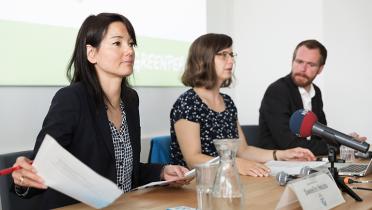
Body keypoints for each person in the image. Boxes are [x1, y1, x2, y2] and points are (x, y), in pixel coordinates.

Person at [11, 13, 189, 209]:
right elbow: (40, 170)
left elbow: (125, 170)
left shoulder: (130, 100)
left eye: (131, 44)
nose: (129, 50)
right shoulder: (71, 99)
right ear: (91, 53)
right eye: (117, 43)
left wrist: (163, 172)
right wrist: (23, 175)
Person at [169, 33, 316, 178]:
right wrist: (233, 163)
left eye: (232, 55)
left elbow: (243, 151)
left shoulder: (227, 102)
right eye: (223, 55)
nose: (231, 61)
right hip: (197, 187)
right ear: (203, 60)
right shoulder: (188, 103)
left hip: (227, 179)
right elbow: (193, 159)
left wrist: (281, 154)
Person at [258, 39, 366, 156]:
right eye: (299, 61)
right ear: (292, 61)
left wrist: (347, 140)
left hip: (309, 160)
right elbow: (289, 144)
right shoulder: (277, 91)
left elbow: (322, 135)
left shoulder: (316, 92)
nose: (303, 69)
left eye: (311, 64)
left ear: (320, 69)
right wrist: (341, 145)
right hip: (277, 165)